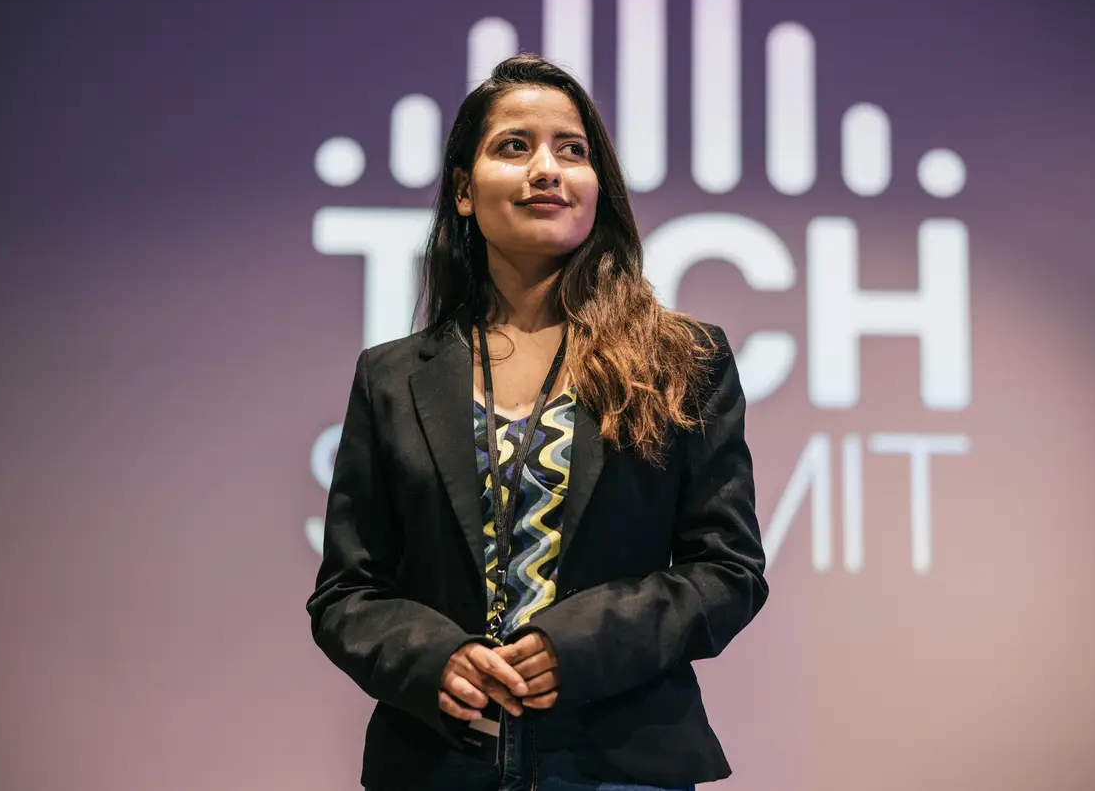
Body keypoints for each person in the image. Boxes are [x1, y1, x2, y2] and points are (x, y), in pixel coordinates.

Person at [306, 53, 768, 791]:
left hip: (619, 765)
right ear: (464, 190)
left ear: (597, 186)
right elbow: (346, 594)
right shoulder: (391, 378)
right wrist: (433, 659)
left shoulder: (681, 359)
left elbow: (727, 570)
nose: (546, 169)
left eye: (572, 150)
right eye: (514, 146)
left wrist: (577, 645)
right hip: (439, 765)